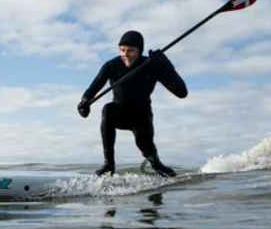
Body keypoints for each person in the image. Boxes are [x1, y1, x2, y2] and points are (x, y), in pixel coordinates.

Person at [77, 30, 188, 177]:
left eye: (130, 50)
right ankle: (109, 164)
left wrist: (165, 65)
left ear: (139, 51)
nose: (125, 54)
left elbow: (181, 92)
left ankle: (157, 165)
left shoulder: (151, 65)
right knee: (108, 110)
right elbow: (94, 87)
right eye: (122, 50)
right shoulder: (112, 65)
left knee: (145, 147)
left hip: (142, 117)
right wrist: (84, 102)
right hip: (120, 113)